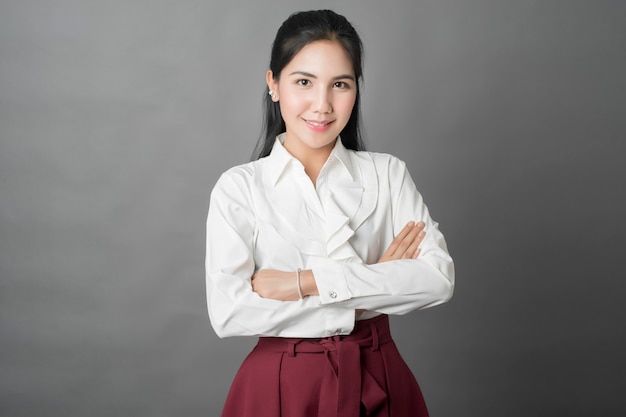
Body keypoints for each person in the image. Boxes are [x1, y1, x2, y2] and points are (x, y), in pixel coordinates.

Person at [205, 9, 454, 417]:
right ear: (273, 84)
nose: (322, 105)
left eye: (340, 84)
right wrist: (369, 289)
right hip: (277, 387)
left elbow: (437, 280)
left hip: (380, 376)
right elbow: (230, 312)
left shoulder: (387, 174)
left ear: (356, 89)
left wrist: (304, 282)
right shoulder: (239, 188)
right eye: (304, 82)